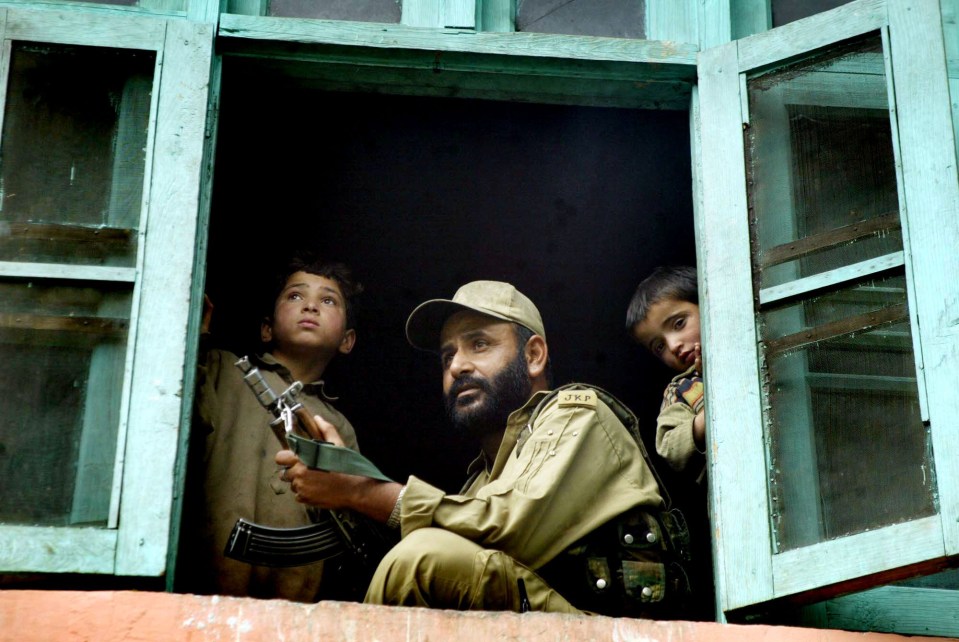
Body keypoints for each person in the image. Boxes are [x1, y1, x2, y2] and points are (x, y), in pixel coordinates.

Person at [276, 280, 688, 616]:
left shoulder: (580, 415)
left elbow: (509, 530)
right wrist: (340, 476)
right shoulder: (481, 478)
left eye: (479, 344)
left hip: (616, 632)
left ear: (533, 355)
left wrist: (361, 490)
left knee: (422, 559)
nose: (457, 366)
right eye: (447, 356)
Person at [179, 256, 363, 602]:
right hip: (202, 595)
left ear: (347, 340)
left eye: (328, 300)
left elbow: (348, 529)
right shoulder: (221, 370)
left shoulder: (339, 427)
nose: (310, 305)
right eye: (295, 296)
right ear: (266, 328)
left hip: (297, 606)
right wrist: (193, 335)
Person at [626, 265, 705, 486]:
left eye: (679, 324)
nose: (673, 345)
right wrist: (708, 419)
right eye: (659, 346)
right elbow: (669, 446)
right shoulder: (681, 390)